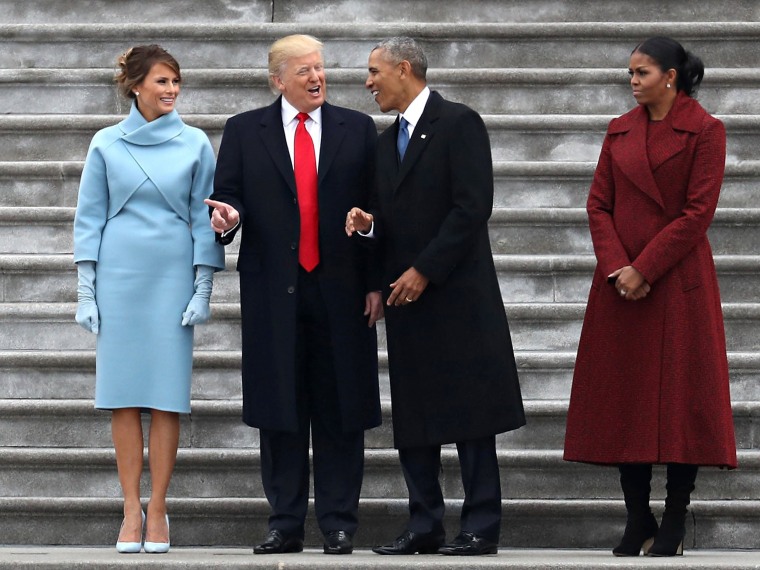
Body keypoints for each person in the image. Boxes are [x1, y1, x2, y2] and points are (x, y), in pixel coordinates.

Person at [345, 36, 525, 556]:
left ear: (404, 69)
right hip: (407, 302)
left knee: (472, 416)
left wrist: (424, 269)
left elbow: (472, 207)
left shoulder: (460, 123)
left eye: (375, 71)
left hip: (458, 296)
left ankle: (481, 525)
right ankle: (424, 523)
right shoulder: (384, 144)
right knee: (415, 417)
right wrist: (368, 225)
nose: (368, 82)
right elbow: (394, 218)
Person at [205, 34, 381, 556]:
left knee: (341, 409)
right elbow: (228, 195)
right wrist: (227, 219)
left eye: (321, 68)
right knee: (279, 409)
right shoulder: (244, 130)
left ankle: (339, 523)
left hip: (343, 292)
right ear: (278, 79)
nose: (316, 78)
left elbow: (375, 206)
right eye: (303, 70)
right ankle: (284, 523)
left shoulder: (357, 128)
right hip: (272, 293)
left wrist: (374, 279)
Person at [563, 37, 737, 557]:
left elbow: (697, 213)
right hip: (620, 285)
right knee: (624, 399)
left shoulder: (706, 131)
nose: (633, 81)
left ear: (671, 77)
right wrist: (619, 267)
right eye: (630, 73)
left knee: (681, 402)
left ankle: (675, 520)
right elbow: (598, 205)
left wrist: (645, 268)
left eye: (642, 72)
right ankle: (638, 516)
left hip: (676, 282)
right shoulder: (618, 131)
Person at [73, 45, 225, 554]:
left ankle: (157, 508)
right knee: (122, 397)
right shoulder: (105, 143)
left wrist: (203, 287)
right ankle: (128, 509)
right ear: (135, 85)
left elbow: (204, 219)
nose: (172, 91)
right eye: (162, 82)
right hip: (120, 277)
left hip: (171, 277)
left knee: (165, 399)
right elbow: (89, 218)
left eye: (176, 82)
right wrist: (86, 289)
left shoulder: (196, 142)